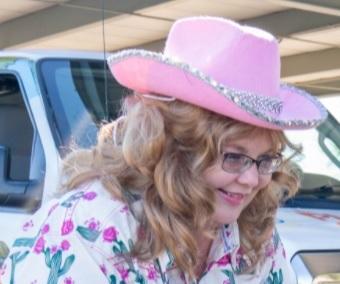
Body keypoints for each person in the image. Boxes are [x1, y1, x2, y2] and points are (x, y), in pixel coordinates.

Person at [0, 16, 326, 284]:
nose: (253, 179)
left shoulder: (253, 232)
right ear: (172, 144)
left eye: (265, 160)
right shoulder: (90, 228)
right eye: (235, 157)